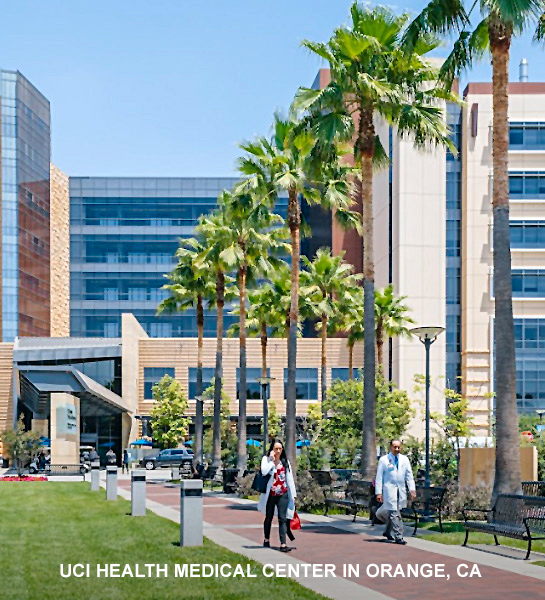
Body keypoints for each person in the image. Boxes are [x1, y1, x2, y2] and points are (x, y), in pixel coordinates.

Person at [258, 438, 297, 552]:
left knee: (283, 518)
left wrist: (293, 495)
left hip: (283, 494)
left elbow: (289, 479)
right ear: (272, 449)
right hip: (270, 494)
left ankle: (283, 544)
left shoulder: (285, 462)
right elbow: (264, 471)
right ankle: (266, 539)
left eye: (280, 448)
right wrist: (271, 459)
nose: (278, 451)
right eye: (276, 449)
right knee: (268, 517)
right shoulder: (266, 460)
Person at [375, 438, 416, 545]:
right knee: (394, 513)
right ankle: (399, 536)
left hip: (400, 490)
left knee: (393, 512)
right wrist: (378, 492)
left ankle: (387, 532)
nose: (397, 449)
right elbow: (379, 477)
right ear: (390, 447)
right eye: (394, 447)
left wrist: (412, 489)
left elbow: (409, 476)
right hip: (389, 490)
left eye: (398, 447)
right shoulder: (384, 460)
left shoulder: (405, 460)